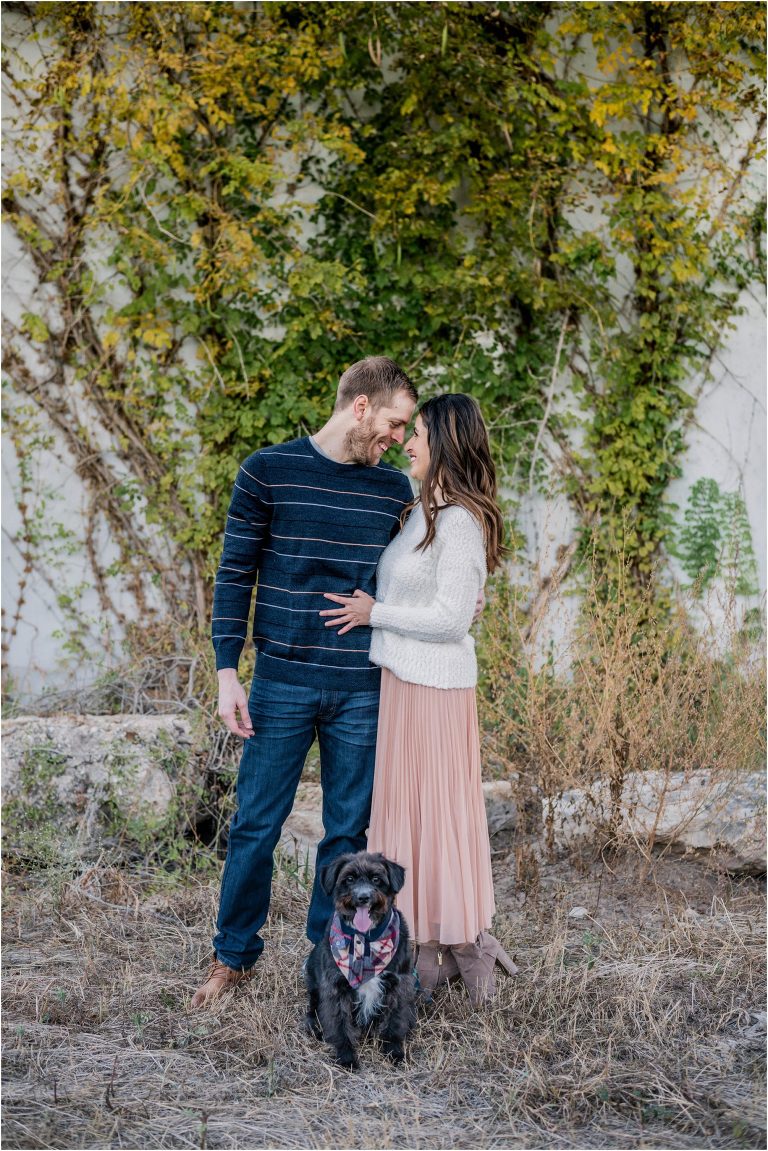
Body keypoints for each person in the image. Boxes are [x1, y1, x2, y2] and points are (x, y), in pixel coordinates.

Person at [191, 356, 417, 1008]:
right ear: (362, 406)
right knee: (255, 824)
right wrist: (226, 671)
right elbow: (235, 572)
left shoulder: (394, 491)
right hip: (281, 682)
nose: (398, 439)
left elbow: (421, 568)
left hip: (360, 687)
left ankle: (331, 965)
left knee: (347, 835)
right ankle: (233, 956)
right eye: (395, 424)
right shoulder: (267, 471)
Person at [321, 393, 517, 1005]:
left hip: (434, 687)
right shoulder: (421, 511)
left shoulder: (458, 519)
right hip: (404, 682)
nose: (409, 443)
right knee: (412, 819)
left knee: (437, 818)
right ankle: (426, 943)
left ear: (446, 444)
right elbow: (443, 603)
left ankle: (462, 943)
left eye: (420, 434)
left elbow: (451, 618)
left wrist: (377, 613)